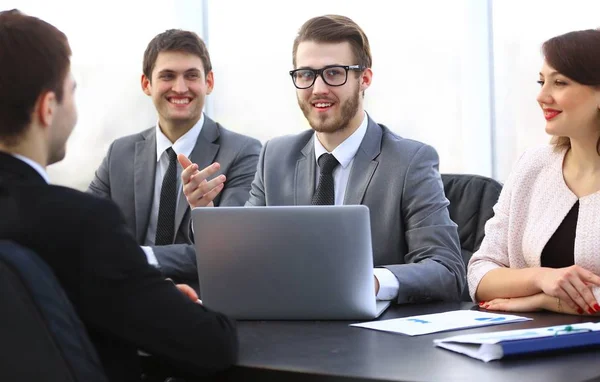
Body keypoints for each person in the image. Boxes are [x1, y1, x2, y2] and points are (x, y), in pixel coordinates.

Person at [0, 10, 237, 381]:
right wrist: (162, 301)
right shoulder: (80, 222)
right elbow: (212, 346)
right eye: (72, 91)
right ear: (48, 108)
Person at [180, 15, 465, 303]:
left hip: (372, 336)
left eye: (334, 73)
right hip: (287, 327)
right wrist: (206, 215)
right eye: (306, 74)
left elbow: (447, 269)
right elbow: (245, 258)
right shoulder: (274, 156)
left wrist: (373, 281)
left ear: (364, 78)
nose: (318, 89)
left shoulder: (410, 161)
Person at [88, 29, 261, 288]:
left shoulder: (244, 152)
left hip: (204, 303)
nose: (180, 88)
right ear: (146, 84)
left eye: (191, 76)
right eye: (167, 76)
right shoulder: (119, 153)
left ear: (209, 82)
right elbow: (88, 229)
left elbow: (230, 250)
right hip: (126, 301)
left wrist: (135, 257)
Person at [468, 29, 600, 315]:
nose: (542, 96)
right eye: (542, 82)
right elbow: (480, 274)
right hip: (530, 347)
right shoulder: (533, 165)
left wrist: (541, 300)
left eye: (560, 83)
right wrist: (542, 277)